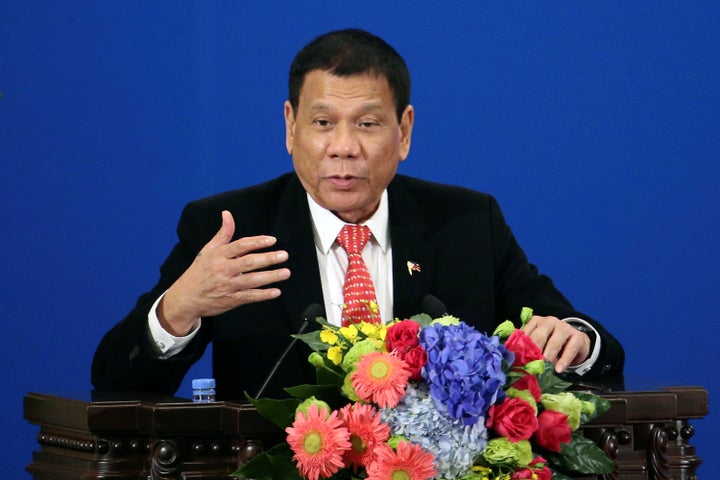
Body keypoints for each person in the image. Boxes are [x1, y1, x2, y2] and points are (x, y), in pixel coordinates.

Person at [92, 29, 624, 400]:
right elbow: (117, 383)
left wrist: (574, 342)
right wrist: (178, 309)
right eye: (323, 122)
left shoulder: (466, 224)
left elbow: (594, 348)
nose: (343, 147)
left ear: (405, 131)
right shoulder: (231, 229)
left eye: (367, 124)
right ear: (290, 126)